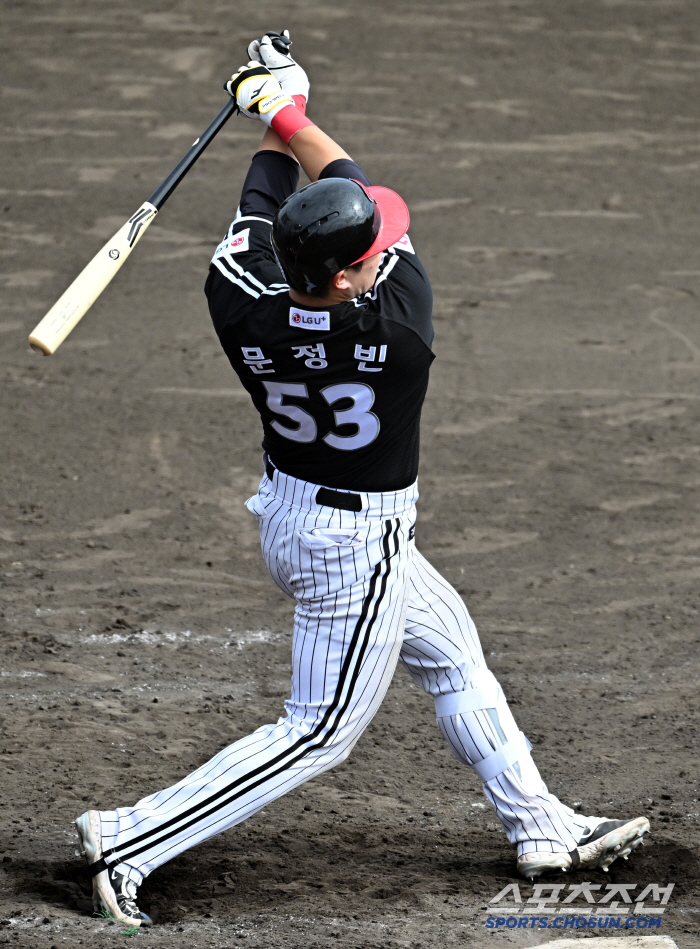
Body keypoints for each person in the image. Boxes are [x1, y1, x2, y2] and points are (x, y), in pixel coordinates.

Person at [75, 32, 650, 927]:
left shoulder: (237, 295)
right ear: (350, 275)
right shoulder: (401, 330)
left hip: (295, 515)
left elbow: (264, 206)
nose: (386, 252)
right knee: (318, 729)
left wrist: (268, 109)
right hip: (356, 547)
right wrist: (290, 109)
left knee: (454, 652)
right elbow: (341, 173)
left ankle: (543, 825)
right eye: (371, 251)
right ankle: (129, 838)